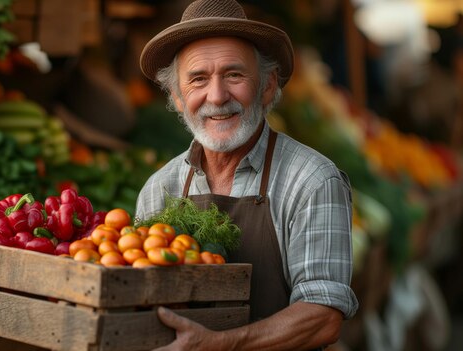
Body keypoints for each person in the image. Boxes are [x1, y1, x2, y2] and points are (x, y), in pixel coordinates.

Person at [134, 0, 359, 350]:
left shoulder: (312, 180)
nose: (218, 96)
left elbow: (323, 316)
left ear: (268, 86)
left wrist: (219, 345)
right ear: (178, 97)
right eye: (197, 80)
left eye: (234, 74)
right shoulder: (159, 189)